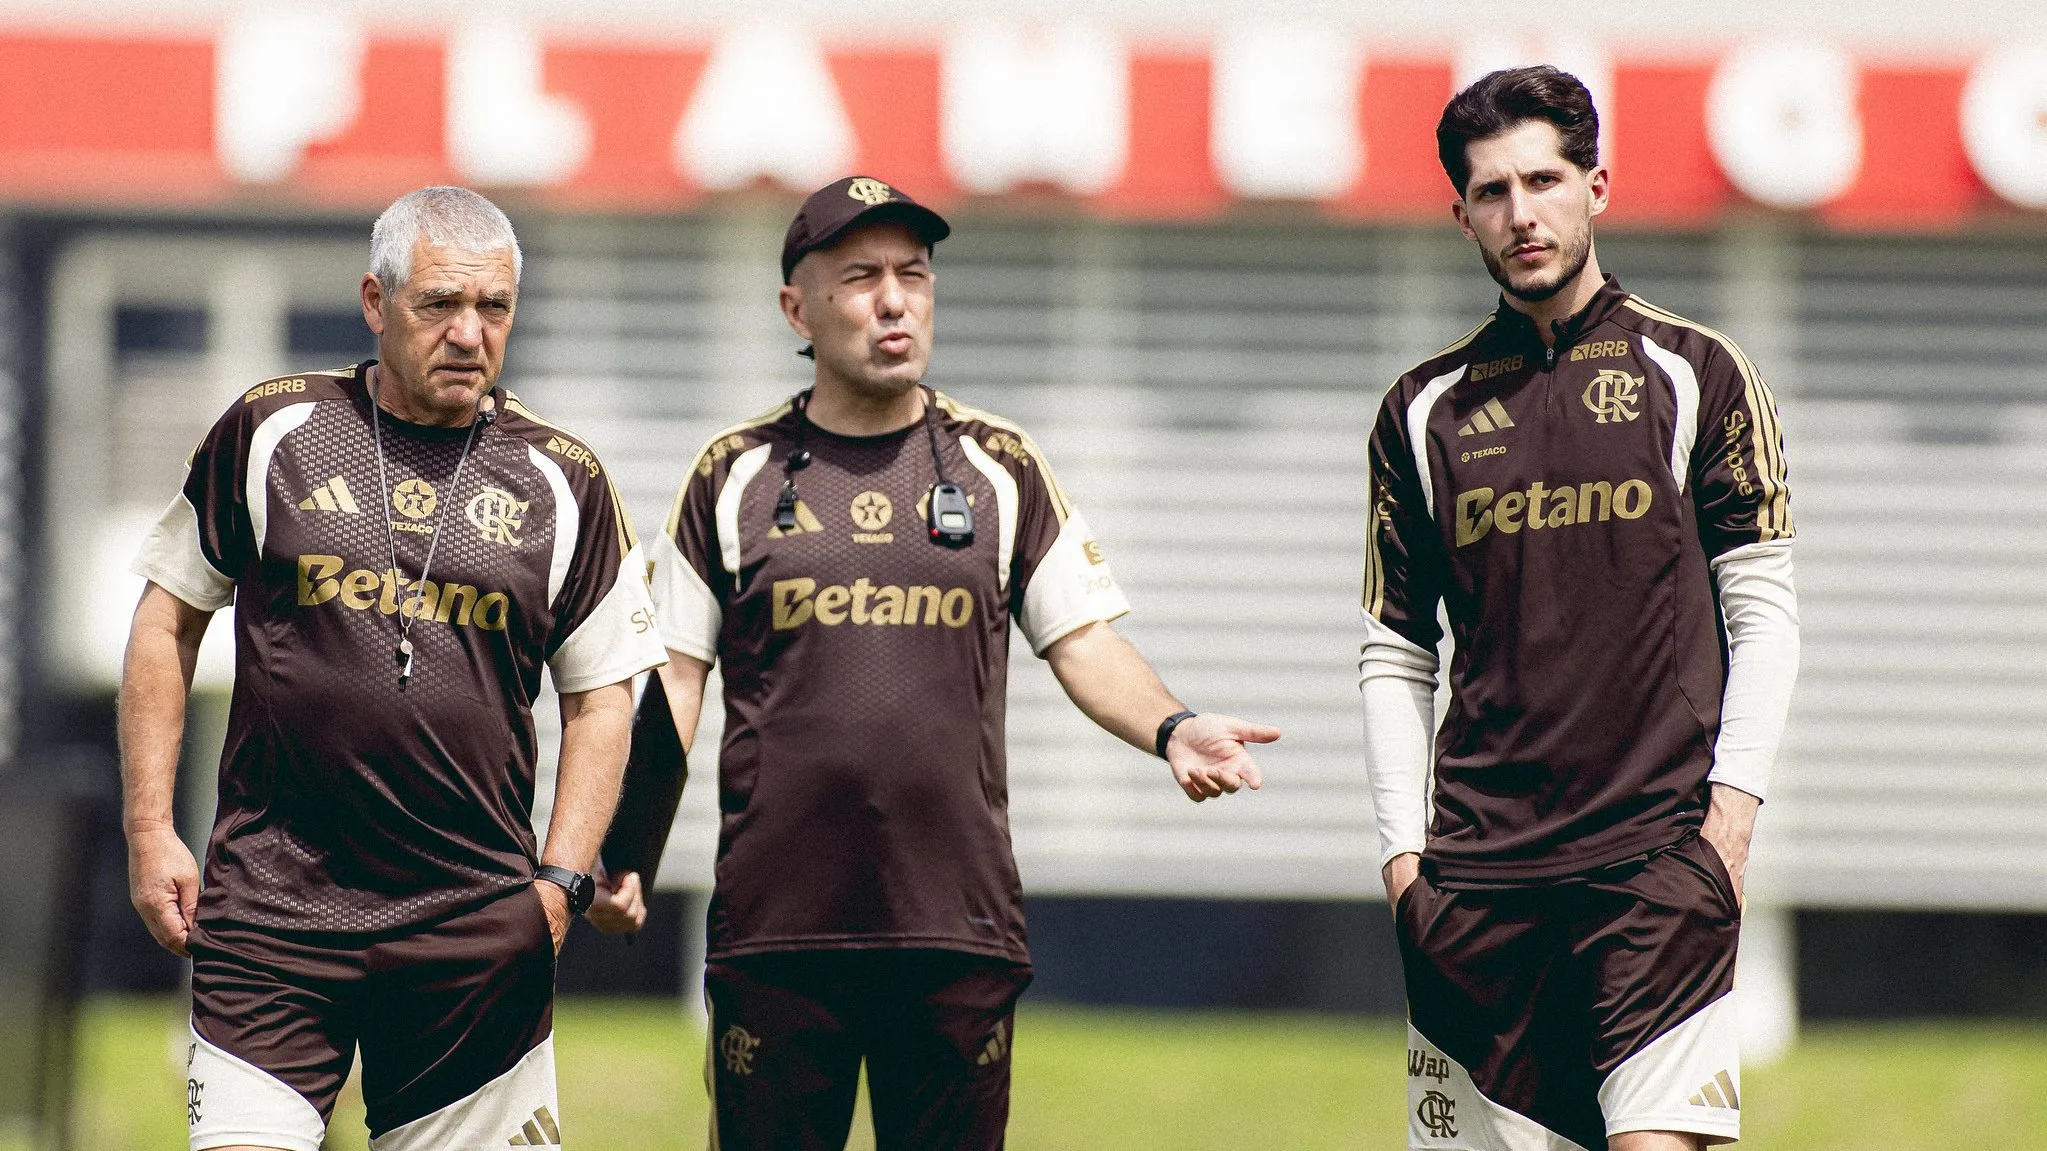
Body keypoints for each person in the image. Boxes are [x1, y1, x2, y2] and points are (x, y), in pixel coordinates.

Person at [606, 175, 1280, 1150]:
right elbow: (674, 677)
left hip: (955, 928)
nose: (894, 300)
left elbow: (1083, 640)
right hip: (777, 932)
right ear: (796, 308)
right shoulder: (732, 472)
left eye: (913, 274)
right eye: (860, 278)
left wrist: (1173, 726)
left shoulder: (999, 465)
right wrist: (626, 850)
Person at [120, 186, 665, 1151]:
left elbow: (603, 697)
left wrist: (559, 886)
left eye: (493, 307)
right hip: (271, 915)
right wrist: (149, 828)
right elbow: (168, 619)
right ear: (376, 301)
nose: (469, 333)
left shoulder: (564, 478)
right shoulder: (273, 430)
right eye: (439, 304)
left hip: (474, 927)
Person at [1359, 68, 1800, 1151]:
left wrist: (1729, 821)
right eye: (1492, 191)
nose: (1521, 213)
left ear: (1595, 186)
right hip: (1475, 889)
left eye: (1543, 181)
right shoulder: (1421, 410)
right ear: (1460, 213)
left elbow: (1764, 614)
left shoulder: (1697, 372)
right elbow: (1393, 651)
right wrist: (1403, 866)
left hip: (1656, 867)